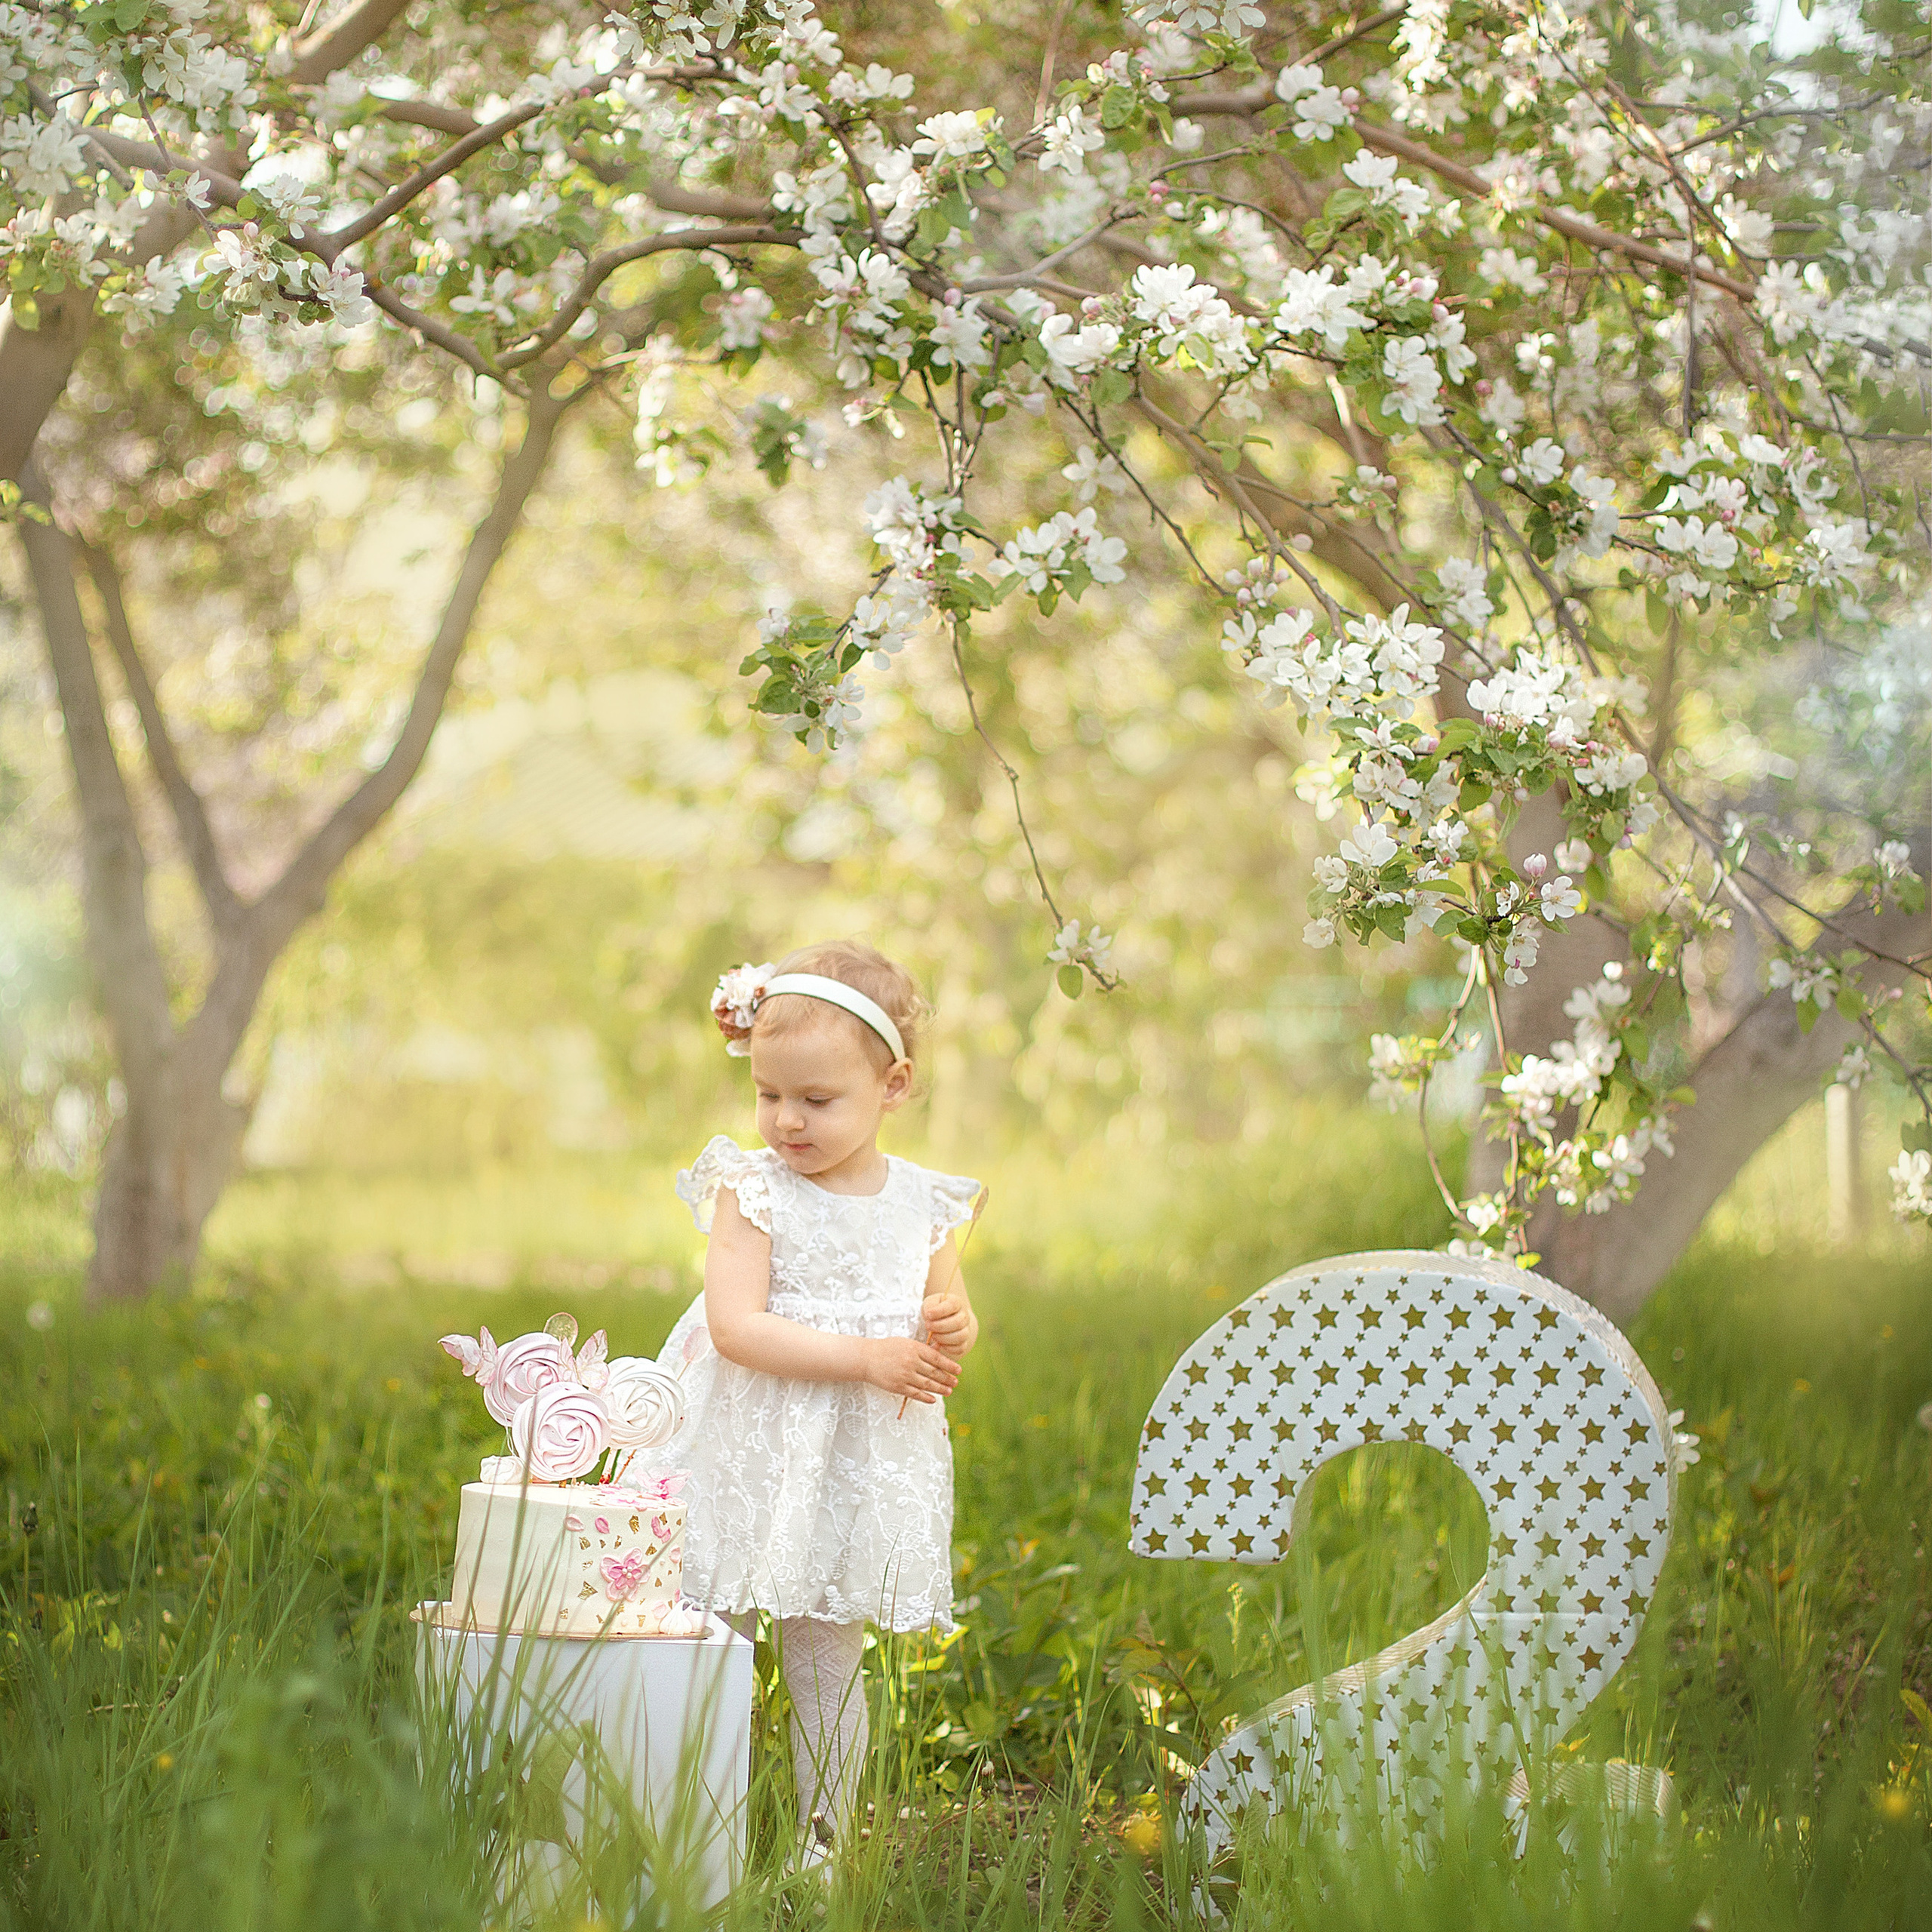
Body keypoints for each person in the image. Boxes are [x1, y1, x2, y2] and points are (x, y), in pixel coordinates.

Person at [656, 940, 983, 1864]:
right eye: (768, 1095)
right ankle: (694, 1833)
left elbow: (941, 1314)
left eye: (816, 1099)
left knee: (826, 1657)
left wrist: (949, 1329)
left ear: (894, 1085)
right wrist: (867, 1358)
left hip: (848, 1463)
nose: (786, 1121)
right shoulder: (752, 1189)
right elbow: (735, 1328)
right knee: (710, 1638)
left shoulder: (925, 1203)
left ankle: (823, 1845)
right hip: (744, 1448)